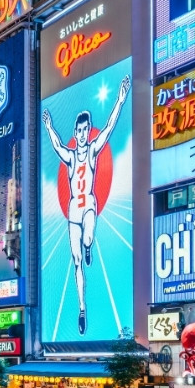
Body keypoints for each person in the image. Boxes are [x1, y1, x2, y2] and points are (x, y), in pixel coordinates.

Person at [41, 74, 130, 335]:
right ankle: (82, 308)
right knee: (77, 262)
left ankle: (89, 245)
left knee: (88, 238)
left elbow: (110, 128)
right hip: (73, 212)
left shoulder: (92, 151)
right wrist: (48, 127)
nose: (81, 134)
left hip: (88, 205)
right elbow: (56, 145)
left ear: (88, 129)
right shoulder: (70, 156)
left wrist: (120, 100)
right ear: (75, 132)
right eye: (78, 131)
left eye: (85, 130)